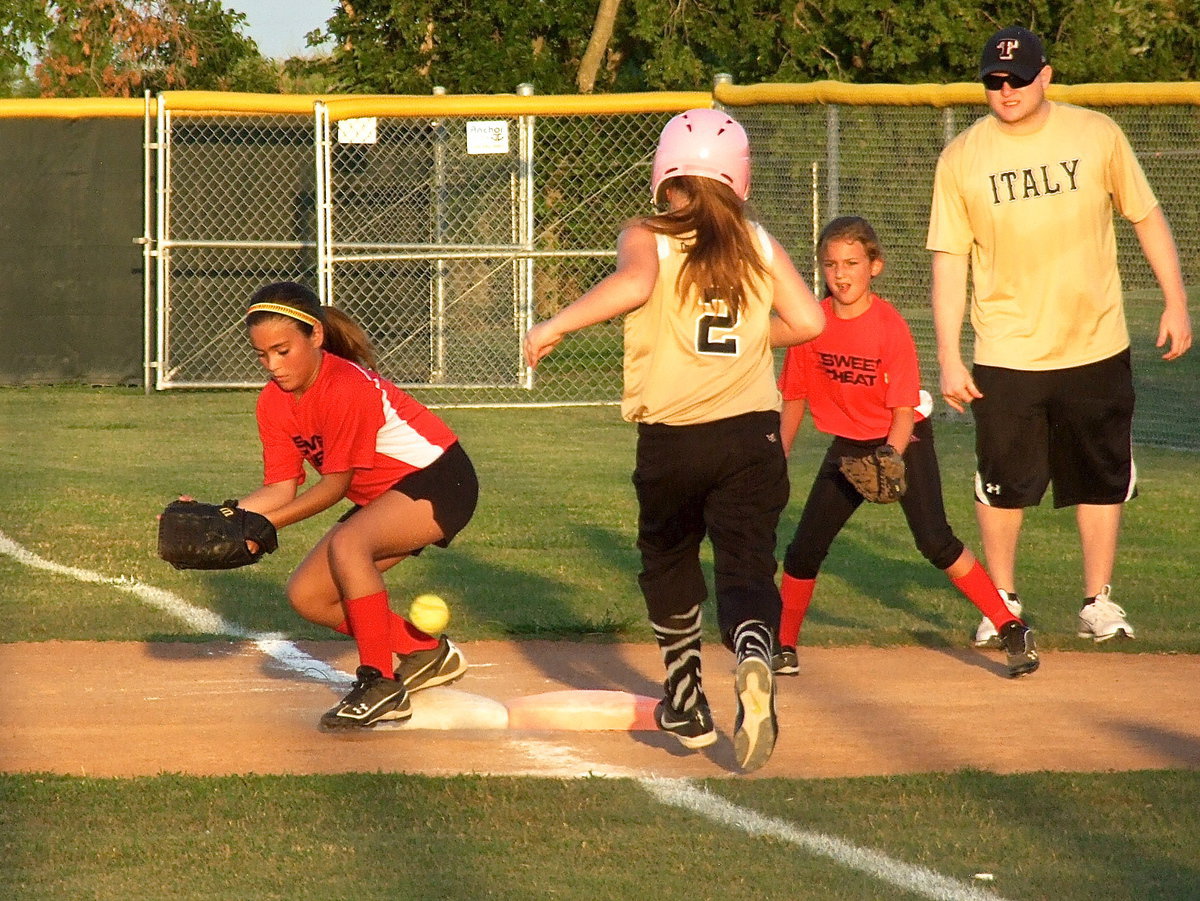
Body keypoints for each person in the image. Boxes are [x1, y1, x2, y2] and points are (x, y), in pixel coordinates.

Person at [523, 108, 825, 772]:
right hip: (753, 434)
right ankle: (751, 647)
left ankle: (686, 698)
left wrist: (556, 325)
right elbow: (809, 320)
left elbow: (633, 284)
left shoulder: (648, 233)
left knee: (668, 557)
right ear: (739, 178)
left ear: (666, 174)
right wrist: (750, 343)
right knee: (746, 564)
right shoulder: (757, 239)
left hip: (674, 436)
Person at [928, 26, 1192, 646]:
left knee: (1100, 474)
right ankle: (1003, 604)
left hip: (1095, 340)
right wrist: (945, 354)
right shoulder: (962, 156)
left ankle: (1097, 601)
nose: (1006, 89)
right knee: (1002, 480)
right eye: (994, 80)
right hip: (1007, 348)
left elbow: (1146, 215)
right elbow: (947, 258)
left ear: (1045, 76)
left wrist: (1176, 301)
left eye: (1017, 79)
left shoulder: (1096, 134)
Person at [776, 216, 1038, 679]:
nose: (841, 274)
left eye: (852, 262)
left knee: (935, 541)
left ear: (874, 266)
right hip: (848, 446)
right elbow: (794, 397)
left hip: (903, 440)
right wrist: (774, 461)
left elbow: (901, 411)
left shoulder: (889, 326)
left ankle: (1010, 626)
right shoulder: (811, 324)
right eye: (831, 263)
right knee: (803, 550)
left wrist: (891, 458)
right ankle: (783, 645)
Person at [232, 282, 478, 730]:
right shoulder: (274, 402)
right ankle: (425, 652)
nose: (273, 366)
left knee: (350, 545)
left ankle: (381, 684)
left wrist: (262, 528)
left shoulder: (346, 386)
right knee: (308, 596)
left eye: (283, 351)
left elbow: (332, 488)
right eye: (262, 355)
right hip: (383, 497)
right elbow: (281, 486)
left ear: (316, 337)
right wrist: (226, 516)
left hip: (441, 479)